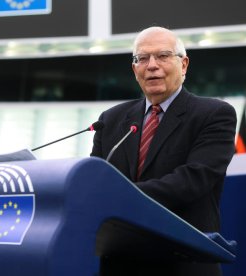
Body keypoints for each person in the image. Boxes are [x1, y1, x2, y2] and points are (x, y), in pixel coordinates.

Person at [91, 26, 237, 276]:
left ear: (184, 65)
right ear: (134, 69)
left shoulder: (214, 114)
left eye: (163, 56)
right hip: (118, 262)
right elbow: (94, 180)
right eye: (142, 58)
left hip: (182, 261)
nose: (152, 65)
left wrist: (118, 196)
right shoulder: (111, 120)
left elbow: (192, 180)